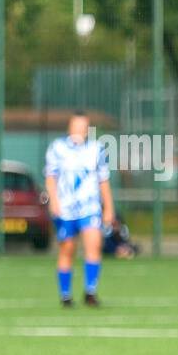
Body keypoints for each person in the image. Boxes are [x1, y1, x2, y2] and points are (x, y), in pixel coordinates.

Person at [44, 111, 114, 307]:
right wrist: (54, 202)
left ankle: (90, 291)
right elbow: (51, 178)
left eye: (83, 127)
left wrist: (108, 207)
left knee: (94, 245)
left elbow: (103, 180)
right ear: (70, 127)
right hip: (65, 209)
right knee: (67, 250)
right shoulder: (57, 148)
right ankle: (65, 295)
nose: (79, 131)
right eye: (76, 127)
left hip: (90, 207)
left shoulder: (96, 149)